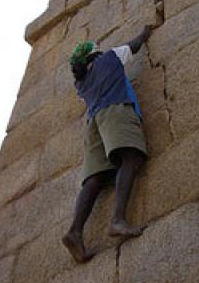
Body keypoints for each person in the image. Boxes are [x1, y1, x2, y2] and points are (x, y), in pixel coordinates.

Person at [61, 25, 153, 263]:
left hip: (93, 123)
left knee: (96, 178)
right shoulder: (110, 58)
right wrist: (145, 31)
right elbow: (135, 45)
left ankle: (75, 231)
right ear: (96, 53)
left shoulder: (80, 84)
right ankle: (118, 220)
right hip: (115, 110)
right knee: (131, 156)